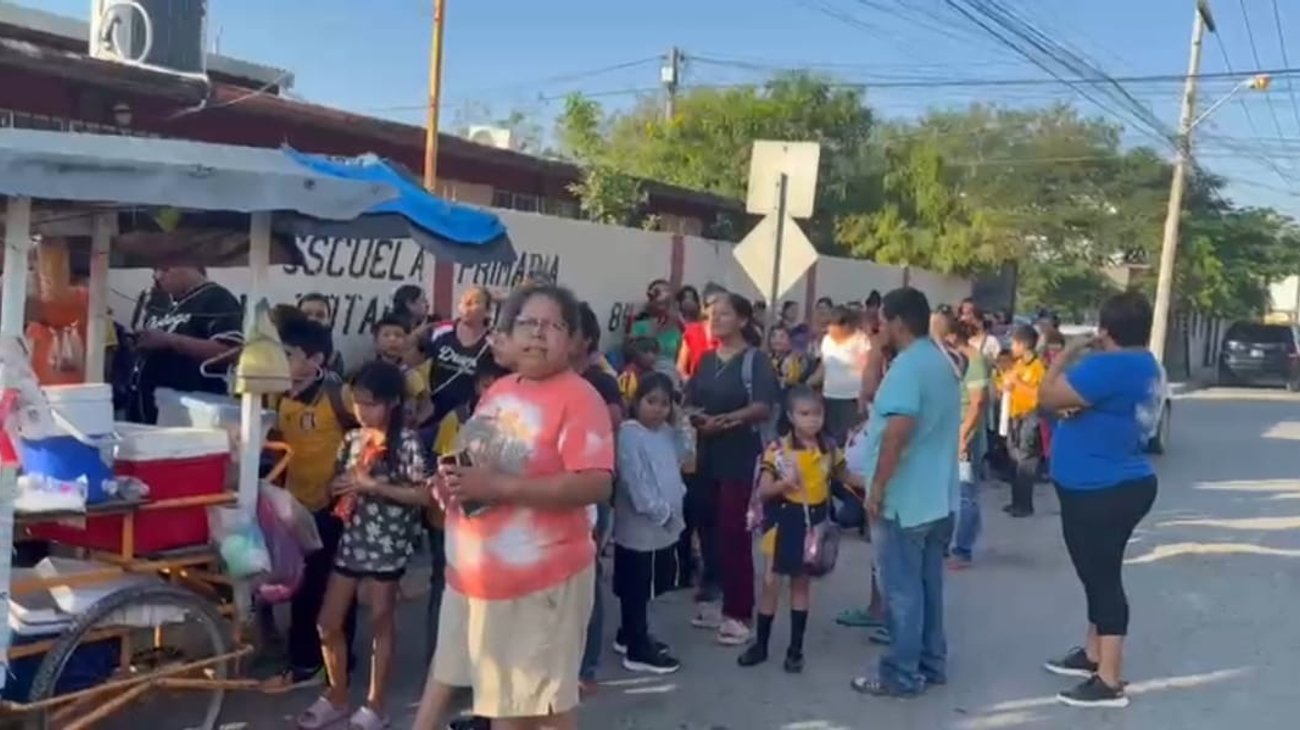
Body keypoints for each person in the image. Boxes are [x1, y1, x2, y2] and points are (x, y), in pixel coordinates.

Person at [413, 283, 615, 730]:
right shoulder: (500, 389)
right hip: (474, 573)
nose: (539, 334)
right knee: (489, 693)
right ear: (508, 331)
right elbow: (480, 456)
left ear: (574, 340)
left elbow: (596, 484)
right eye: (528, 322)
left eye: (553, 325)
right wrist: (449, 480)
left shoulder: (580, 398)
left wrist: (499, 486)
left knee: (522, 711)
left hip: (539, 582)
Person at [1037, 292, 1161, 709]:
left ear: (1105, 330)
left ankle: (1109, 680)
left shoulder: (1109, 366)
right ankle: (1093, 655)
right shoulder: (1145, 363)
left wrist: (1065, 353)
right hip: (1118, 482)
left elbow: (1047, 396)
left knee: (1102, 579)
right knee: (1098, 571)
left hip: (1100, 488)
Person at [297, 361, 430, 730]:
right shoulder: (352, 439)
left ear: (391, 403)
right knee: (327, 623)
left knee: (380, 621)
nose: (361, 410)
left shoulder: (406, 442)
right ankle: (336, 695)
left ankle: (376, 704)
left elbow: (425, 495)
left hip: (387, 543)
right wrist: (336, 488)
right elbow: (333, 484)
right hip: (352, 539)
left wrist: (376, 488)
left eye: (370, 403)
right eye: (356, 402)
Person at [850, 286, 961, 698]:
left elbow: (897, 431)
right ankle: (931, 662)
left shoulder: (909, 368)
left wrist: (877, 487)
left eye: (882, 320)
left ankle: (900, 672)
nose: (879, 328)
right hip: (937, 497)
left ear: (896, 322)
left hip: (906, 499)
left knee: (902, 589)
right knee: (928, 584)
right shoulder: (939, 361)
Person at [739, 386, 862, 673]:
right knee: (770, 584)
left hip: (813, 524)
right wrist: (785, 484)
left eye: (817, 413)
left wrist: (874, 483)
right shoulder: (778, 450)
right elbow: (765, 490)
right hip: (783, 522)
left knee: (801, 584)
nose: (812, 420)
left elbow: (844, 476)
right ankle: (761, 644)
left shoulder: (829, 448)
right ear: (791, 417)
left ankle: (796, 649)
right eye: (804, 414)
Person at [683, 293, 779, 646]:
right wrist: (698, 418)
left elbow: (763, 407)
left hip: (740, 456)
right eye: (712, 315)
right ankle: (713, 597)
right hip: (706, 452)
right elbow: (690, 399)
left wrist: (727, 420)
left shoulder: (755, 361)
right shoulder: (706, 359)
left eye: (724, 314)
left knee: (733, 532)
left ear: (741, 320)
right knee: (706, 527)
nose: (716, 320)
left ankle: (739, 612)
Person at [273, 319, 358, 687]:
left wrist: (352, 480)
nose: (279, 361)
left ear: (315, 359)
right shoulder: (278, 394)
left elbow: (371, 435)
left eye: (288, 355)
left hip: (335, 510)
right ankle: (310, 657)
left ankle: (328, 661)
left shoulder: (337, 396)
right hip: (296, 507)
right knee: (301, 585)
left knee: (331, 588)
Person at [612, 372, 686, 675]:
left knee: (645, 584)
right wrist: (660, 513)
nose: (657, 409)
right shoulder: (630, 434)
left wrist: (681, 423)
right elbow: (635, 482)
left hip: (662, 527)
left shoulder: (666, 432)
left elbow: (685, 454)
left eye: (664, 404)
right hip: (642, 526)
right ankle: (638, 648)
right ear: (636, 401)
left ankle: (630, 633)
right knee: (637, 586)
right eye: (650, 401)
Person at [573, 302, 624, 693]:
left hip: (589, 490)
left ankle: (587, 666)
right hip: (555, 488)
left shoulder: (600, 381)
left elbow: (608, 428)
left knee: (586, 575)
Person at [126, 265, 243, 424]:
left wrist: (170, 340)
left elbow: (230, 350)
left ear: (189, 264)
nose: (157, 276)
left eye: (164, 269)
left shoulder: (218, 299)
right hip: (146, 406)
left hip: (190, 410)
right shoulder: (156, 300)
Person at [948, 319, 989, 568]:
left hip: (966, 432)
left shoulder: (973, 360)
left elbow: (977, 403)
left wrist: (963, 437)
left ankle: (963, 548)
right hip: (949, 430)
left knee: (965, 493)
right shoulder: (951, 358)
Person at [426, 286, 494, 425]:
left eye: (475, 302)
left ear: (487, 311)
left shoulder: (493, 343)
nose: (467, 305)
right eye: (464, 301)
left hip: (468, 420)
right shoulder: (441, 332)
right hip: (431, 414)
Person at [809, 306, 870, 445]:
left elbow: (866, 370)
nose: (829, 329)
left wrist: (863, 399)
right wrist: (807, 384)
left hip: (852, 399)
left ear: (846, 325)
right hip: (829, 397)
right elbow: (824, 367)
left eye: (833, 325)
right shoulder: (827, 341)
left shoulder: (860, 340)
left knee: (848, 440)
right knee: (829, 439)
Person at [1004, 325, 1045, 518]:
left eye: (1014, 343)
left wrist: (1018, 383)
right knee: (1014, 459)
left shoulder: (1038, 367)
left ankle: (1025, 504)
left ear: (1023, 344)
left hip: (1030, 415)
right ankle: (1015, 501)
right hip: (1015, 415)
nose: (1011, 347)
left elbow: (1039, 395)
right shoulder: (1019, 364)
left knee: (1026, 462)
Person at [370, 316, 435, 428]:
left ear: (405, 342)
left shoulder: (411, 376)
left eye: (398, 335)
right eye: (386, 335)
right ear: (376, 342)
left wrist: (416, 422)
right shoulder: (368, 374)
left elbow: (428, 406)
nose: (392, 339)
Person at [629, 279, 684, 370]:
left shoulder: (677, 327)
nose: (662, 297)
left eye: (666, 292)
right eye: (657, 293)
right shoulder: (639, 326)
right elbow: (630, 352)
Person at [678, 285, 726, 379]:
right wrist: (688, 382)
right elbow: (681, 367)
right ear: (704, 307)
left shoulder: (728, 332)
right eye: (711, 305)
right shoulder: (693, 331)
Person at [298, 293, 345, 376]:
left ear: (328, 321)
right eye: (306, 314)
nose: (312, 319)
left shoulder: (334, 358)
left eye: (320, 315)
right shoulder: (284, 352)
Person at [618, 336, 660, 408]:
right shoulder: (628, 375)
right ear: (635, 353)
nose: (651, 356)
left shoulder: (651, 372)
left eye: (654, 352)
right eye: (646, 352)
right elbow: (625, 403)